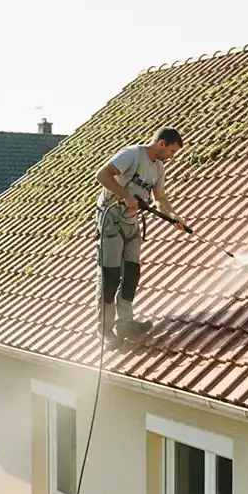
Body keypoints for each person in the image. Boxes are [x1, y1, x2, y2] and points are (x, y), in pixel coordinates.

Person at [94, 127, 186, 344]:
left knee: (132, 273)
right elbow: (102, 174)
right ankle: (105, 331)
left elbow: (160, 199)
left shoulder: (159, 168)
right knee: (110, 275)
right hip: (111, 218)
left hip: (131, 221)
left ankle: (126, 323)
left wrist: (173, 216)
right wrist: (126, 196)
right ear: (161, 144)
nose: (172, 157)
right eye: (171, 151)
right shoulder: (132, 155)